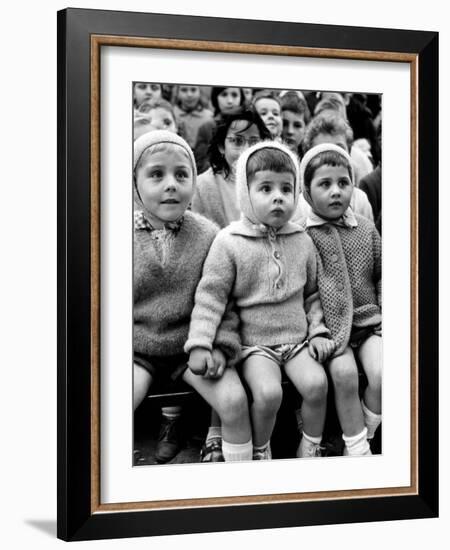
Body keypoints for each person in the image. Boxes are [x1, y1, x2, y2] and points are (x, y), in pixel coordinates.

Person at [186, 141, 334, 460]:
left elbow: (312, 294)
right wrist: (200, 342)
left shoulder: (302, 240)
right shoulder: (229, 242)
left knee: (317, 385)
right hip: (255, 344)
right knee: (268, 394)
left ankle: (310, 446)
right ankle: (259, 449)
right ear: (245, 192)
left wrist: (318, 331)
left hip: (297, 341)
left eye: (286, 188)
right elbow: (211, 297)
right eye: (265, 188)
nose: (278, 196)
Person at [133, 130, 253, 463]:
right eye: (156, 174)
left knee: (233, 400)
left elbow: (223, 300)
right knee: (110, 404)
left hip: (190, 345)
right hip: (137, 347)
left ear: (193, 183)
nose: (171, 184)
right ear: (134, 184)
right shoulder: (116, 235)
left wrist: (219, 345)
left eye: (181, 174)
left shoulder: (208, 235)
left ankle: (241, 481)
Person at [299, 143, 382, 456]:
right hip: (333, 332)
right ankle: (356, 447)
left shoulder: (366, 229)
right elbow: (303, 293)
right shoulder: (302, 236)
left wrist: (386, 313)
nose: (336, 191)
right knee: (344, 375)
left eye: (343, 183)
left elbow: (383, 274)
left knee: (385, 374)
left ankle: (368, 432)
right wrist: (316, 331)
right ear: (306, 193)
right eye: (324, 184)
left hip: (368, 320)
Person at [191, 110, 271, 228]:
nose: (246, 150)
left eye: (254, 142)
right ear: (222, 146)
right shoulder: (203, 186)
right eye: (237, 141)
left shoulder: (272, 181)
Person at [294, 111, 374, 223]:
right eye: (323, 151)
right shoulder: (300, 205)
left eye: (339, 149)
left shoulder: (360, 200)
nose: (332, 157)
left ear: (349, 153)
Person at [194, 87, 246, 174]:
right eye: (224, 95)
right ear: (215, 98)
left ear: (241, 98)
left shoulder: (250, 125)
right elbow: (201, 164)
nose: (230, 101)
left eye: (234, 95)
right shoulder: (207, 127)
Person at [172, 84, 213, 151]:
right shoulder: (171, 115)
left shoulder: (209, 117)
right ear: (177, 93)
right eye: (184, 90)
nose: (189, 94)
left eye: (193, 90)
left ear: (200, 91)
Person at [280, 91, 311, 159]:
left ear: (306, 129)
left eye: (297, 126)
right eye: (284, 124)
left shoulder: (310, 160)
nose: (290, 131)